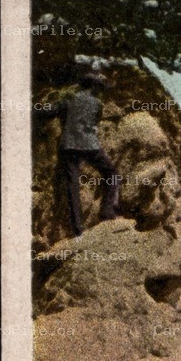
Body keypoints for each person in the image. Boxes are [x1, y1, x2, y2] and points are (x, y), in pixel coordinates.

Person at [38, 68, 121, 237]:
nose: (100, 90)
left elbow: (50, 111)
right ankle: (107, 212)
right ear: (94, 87)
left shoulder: (69, 100)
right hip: (90, 146)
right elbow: (94, 121)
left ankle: (78, 230)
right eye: (99, 87)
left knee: (72, 187)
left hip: (69, 146)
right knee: (111, 173)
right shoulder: (97, 104)